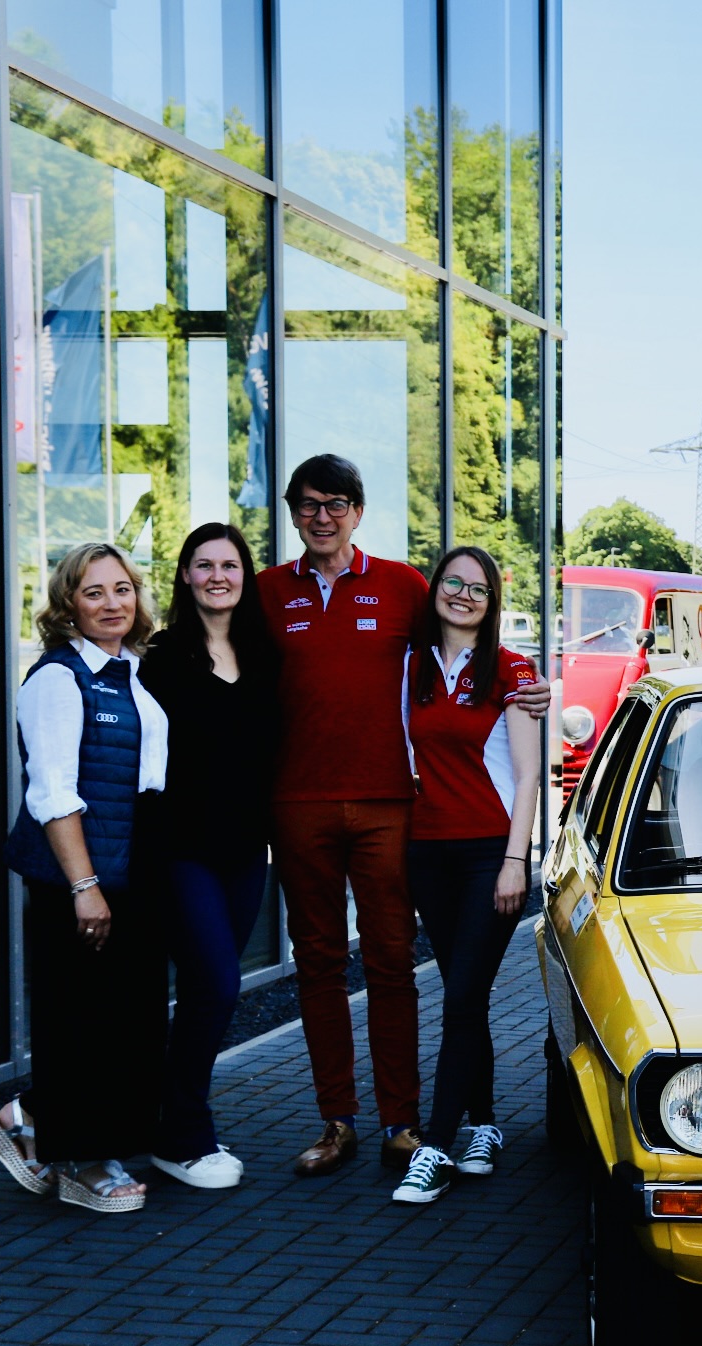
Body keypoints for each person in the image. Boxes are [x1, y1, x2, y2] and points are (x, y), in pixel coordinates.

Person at [259, 456, 552, 1178]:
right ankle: (337, 1122)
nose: (321, 516)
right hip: (298, 804)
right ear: (294, 511)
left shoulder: (403, 586)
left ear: (358, 511)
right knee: (320, 967)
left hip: (393, 807)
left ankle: (403, 1122)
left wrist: (526, 681)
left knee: (392, 964)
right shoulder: (266, 593)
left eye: (336, 503)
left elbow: (468, 635)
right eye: (308, 504)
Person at [0, 543, 169, 1215]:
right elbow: (52, 792)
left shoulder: (129, 670)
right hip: (77, 885)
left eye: (122, 590)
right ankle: (82, 1164)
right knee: (80, 1024)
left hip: (130, 878)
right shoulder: (57, 680)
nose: (112, 604)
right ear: (67, 606)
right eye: (94, 593)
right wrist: (85, 886)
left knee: (120, 1023)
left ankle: (22, 1119)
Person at [389, 544, 544, 1204]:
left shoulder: (513, 671)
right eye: (452, 582)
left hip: (491, 859)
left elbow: (531, 775)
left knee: (459, 1001)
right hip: (428, 855)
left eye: (477, 588)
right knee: (466, 997)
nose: (462, 594)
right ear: (435, 591)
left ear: (492, 602)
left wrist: (517, 861)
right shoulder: (411, 666)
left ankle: (435, 1146)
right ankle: (485, 1125)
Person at [139, 524, 280, 1191]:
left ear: (245, 576)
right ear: (186, 577)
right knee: (217, 985)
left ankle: (168, 1121)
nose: (218, 575)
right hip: (181, 850)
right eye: (204, 565)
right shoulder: (162, 658)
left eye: (229, 564)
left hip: (246, 851)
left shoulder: (266, 653)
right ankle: (183, 1136)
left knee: (207, 992)